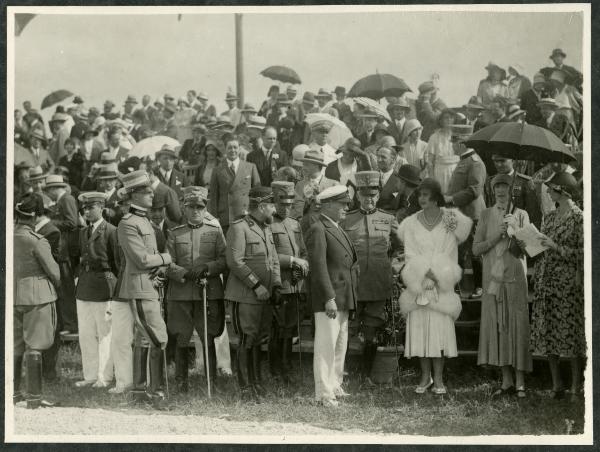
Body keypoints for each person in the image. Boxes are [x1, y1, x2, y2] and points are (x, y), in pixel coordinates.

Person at [397, 178, 472, 395]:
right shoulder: (411, 222)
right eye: (420, 195)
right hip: (419, 283)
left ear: (436, 197)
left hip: (441, 282)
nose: (422, 199)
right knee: (420, 329)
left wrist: (437, 274)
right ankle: (424, 377)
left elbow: (450, 249)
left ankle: (438, 378)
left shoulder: (450, 218)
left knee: (438, 330)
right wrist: (422, 274)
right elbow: (410, 251)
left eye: (427, 195)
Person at [473, 174, 533, 398]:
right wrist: (496, 237)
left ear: (512, 191)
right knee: (499, 325)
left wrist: (514, 232)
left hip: (515, 277)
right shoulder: (486, 214)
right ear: (492, 191)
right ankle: (506, 380)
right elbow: (476, 249)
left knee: (516, 324)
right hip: (492, 280)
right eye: (497, 187)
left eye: (505, 187)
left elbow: (529, 249)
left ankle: (520, 381)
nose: (501, 191)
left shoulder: (521, 214)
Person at [117, 170, 172, 405]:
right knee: (159, 338)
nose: (152, 195)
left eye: (151, 191)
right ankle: (156, 392)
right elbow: (142, 260)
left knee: (143, 339)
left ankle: (139, 392)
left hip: (149, 285)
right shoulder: (127, 224)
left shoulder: (143, 220)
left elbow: (149, 259)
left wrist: (158, 268)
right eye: (146, 192)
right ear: (133, 195)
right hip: (140, 288)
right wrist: (166, 259)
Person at [165, 186, 227, 394]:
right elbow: (167, 263)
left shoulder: (215, 231)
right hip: (181, 293)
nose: (195, 211)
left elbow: (224, 259)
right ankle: (181, 383)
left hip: (207, 292)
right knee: (181, 336)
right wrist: (184, 273)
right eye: (190, 206)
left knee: (207, 336)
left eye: (199, 207)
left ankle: (212, 382)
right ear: (184, 208)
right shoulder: (174, 234)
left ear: (205, 208)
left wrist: (208, 268)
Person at [530, 172, 585, 401]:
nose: (549, 192)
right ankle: (556, 385)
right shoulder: (549, 217)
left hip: (567, 283)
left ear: (562, 191)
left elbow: (582, 253)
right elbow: (543, 245)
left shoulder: (578, 218)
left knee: (570, 335)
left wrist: (555, 246)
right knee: (550, 333)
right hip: (547, 280)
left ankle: (575, 386)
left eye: (552, 189)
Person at [225, 186, 282, 401]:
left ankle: (256, 381)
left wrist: (276, 285)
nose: (275, 209)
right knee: (246, 340)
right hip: (245, 295)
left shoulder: (267, 228)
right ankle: (245, 387)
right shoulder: (239, 228)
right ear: (261, 206)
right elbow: (235, 262)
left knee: (258, 340)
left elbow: (274, 259)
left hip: (265, 296)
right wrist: (256, 285)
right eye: (272, 204)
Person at [341, 172, 399, 384]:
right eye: (364, 195)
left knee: (372, 331)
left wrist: (394, 267)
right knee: (347, 330)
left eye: (373, 195)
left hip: (377, 283)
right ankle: (344, 373)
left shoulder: (388, 219)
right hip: (353, 285)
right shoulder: (346, 219)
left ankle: (366, 376)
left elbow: (401, 249)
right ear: (357, 196)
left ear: (378, 195)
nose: (369, 199)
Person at [305, 185, 358, 407]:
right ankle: (324, 393)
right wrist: (328, 297)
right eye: (342, 204)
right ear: (327, 205)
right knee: (326, 345)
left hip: (343, 296)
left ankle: (335, 384)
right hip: (331, 297)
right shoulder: (319, 228)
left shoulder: (337, 227)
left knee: (340, 344)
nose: (346, 208)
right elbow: (318, 267)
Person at [13, 194, 61, 408]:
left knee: (16, 346)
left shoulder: (10, 236)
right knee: (36, 345)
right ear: (34, 216)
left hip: (14, 294)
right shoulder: (36, 240)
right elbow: (55, 273)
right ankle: (34, 397)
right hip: (37, 294)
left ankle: (13, 393)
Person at [74, 192, 119, 388]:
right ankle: (90, 375)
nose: (87, 211)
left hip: (103, 285)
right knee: (85, 333)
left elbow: (117, 263)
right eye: (84, 208)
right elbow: (78, 258)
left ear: (101, 208)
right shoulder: (83, 232)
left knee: (105, 334)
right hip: (84, 286)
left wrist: (113, 287)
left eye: (91, 207)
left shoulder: (110, 230)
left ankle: (104, 376)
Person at [268, 181, 309, 383]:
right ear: (274, 201)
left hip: (295, 284)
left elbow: (302, 251)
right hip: (279, 284)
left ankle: (286, 363)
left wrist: (302, 267)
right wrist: (292, 261)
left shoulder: (294, 224)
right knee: (278, 328)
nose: (286, 208)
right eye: (282, 203)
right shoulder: (268, 224)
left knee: (291, 327)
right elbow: (269, 255)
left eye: (289, 204)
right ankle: (276, 367)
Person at [444, 124, 487, 299]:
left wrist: (452, 199)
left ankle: (480, 286)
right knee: (459, 251)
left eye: (454, 141)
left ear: (461, 143)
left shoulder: (475, 162)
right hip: (460, 215)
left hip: (472, 215)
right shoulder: (464, 161)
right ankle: (458, 288)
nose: (452, 145)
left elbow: (474, 190)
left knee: (475, 252)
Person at [45, 174, 79, 333]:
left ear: (54, 189)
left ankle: (71, 325)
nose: (47, 193)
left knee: (66, 288)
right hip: (60, 251)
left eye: (48, 190)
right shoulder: (62, 200)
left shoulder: (67, 199)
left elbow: (73, 223)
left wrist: (50, 222)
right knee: (63, 288)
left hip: (65, 252)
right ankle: (67, 324)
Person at [208, 134, 261, 235]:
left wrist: (255, 214)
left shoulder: (250, 167)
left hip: (246, 216)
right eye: (229, 148)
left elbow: (257, 193)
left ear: (239, 149)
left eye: (235, 147)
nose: (233, 150)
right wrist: (214, 218)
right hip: (225, 217)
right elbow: (214, 197)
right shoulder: (217, 170)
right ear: (225, 149)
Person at [484, 154, 542, 229]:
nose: (499, 164)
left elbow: (534, 214)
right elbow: (489, 207)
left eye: (502, 161)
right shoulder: (490, 181)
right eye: (496, 161)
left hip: (518, 230)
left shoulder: (524, 182)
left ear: (513, 160)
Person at [293, 149, 339, 232]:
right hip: (303, 230)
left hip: (326, 231)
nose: (303, 167)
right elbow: (296, 210)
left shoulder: (333, 185)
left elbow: (336, 211)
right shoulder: (299, 185)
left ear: (316, 165)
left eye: (306, 164)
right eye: (303, 164)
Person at [423, 109, 457, 194]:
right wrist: (432, 179)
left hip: (455, 172)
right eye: (446, 118)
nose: (449, 120)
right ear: (441, 121)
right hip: (440, 172)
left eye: (451, 118)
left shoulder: (458, 136)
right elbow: (430, 161)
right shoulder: (434, 137)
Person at [376, 146, 402, 213]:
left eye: (383, 157)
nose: (379, 160)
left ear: (393, 160)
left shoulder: (401, 180)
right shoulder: (371, 176)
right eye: (378, 156)